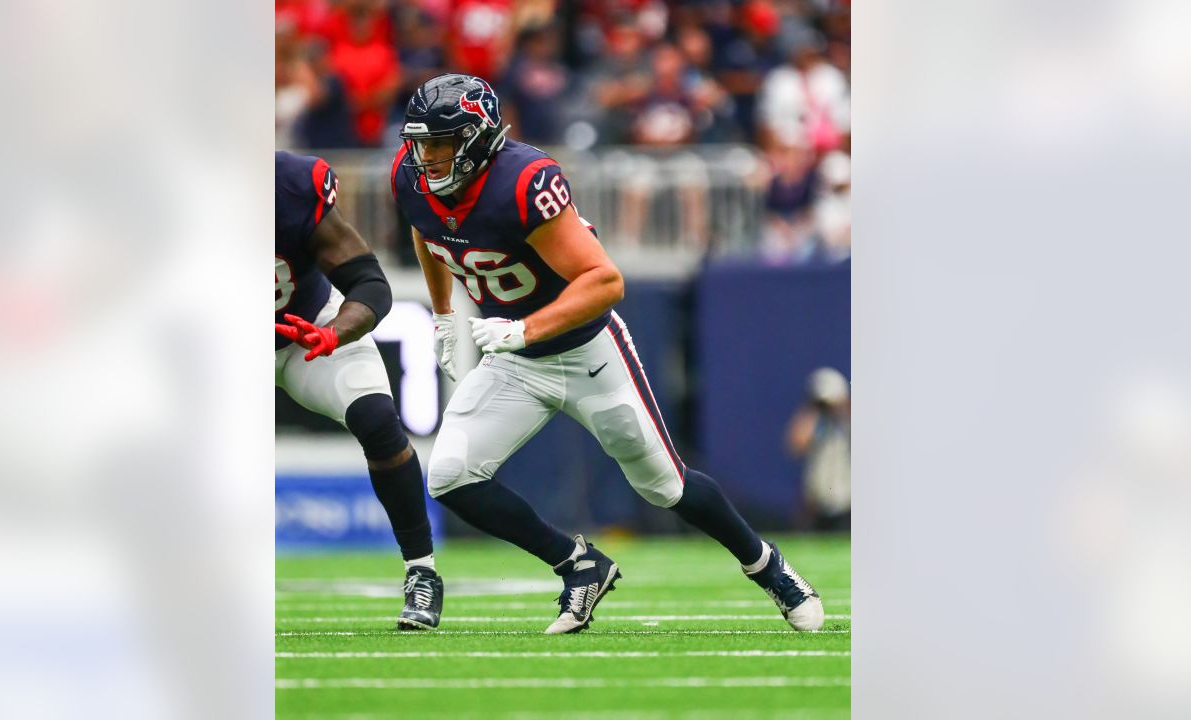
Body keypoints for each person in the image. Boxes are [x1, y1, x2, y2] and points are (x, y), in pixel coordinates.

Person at [391, 74, 824, 634]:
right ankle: (579, 565)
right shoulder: (411, 178)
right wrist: (445, 311)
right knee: (449, 474)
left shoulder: (522, 181)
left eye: (440, 145)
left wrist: (524, 329)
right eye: (421, 144)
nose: (426, 158)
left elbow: (605, 280)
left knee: (664, 484)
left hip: (586, 349)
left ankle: (770, 567)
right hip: (516, 361)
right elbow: (430, 232)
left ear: (477, 139)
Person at [274, 150, 443, 630]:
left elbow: (369, 282)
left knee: (377, 421)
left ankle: (422, 572)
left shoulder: (291, 185)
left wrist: (335, 332)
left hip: (309, 327)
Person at [786, 367, 851, 531]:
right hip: (817, 501)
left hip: (847, 502)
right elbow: (796, 444)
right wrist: (815, 410)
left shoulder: (848, 421)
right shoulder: (815, 423)